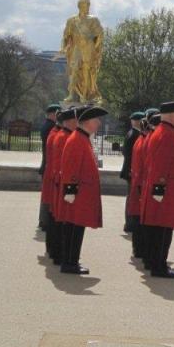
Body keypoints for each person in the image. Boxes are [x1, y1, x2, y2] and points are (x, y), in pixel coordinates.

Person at [140, 101, 174, 278]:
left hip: (166, 190)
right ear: (172, 115)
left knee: (160, 230)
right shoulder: (166, 134)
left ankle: (157, 263)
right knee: (162, 230)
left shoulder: (165, 132)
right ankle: (158, 266)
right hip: (165, 192)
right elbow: (160, 164)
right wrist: (159, 188)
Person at [59, 105, 108, 274]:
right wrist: (70, 192)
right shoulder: (76, 140)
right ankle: (69, 262)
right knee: (74, 228)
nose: (99, 123)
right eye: (96, 120)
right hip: (77, 195)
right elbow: (70, 168)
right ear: (87, 122)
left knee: (76, 228)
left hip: (80, 194)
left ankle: (72, 260)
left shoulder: (82, 138)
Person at [47, 107, 78, 265]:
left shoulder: (61, 135)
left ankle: (56, 252)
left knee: (57, 220)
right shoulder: (63, 137)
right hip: (61, 183)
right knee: (61, 221)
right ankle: (59, 254)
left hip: (57, 181)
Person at [128, 109, 160, 264]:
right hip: (143, 183)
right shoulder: (146, 140)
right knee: (144, 221)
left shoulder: (142, 138)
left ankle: (140, 249)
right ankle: (144, 251)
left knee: (139, 219)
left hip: (139, 182)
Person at [61, 0, 104, 104]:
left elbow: (100, 34)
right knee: (74, 70)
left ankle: (84, 95)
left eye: (89, 5)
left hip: (89, 48)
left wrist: (95, 47)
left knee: (86, 71)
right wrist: (63, 47)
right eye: (86, 5)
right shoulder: (72, 20)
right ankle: (71, 94)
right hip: (76, 48)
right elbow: (66, 35)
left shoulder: (93, 19)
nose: (88, 7)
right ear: (80, 6)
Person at [120, 111, 145, 233]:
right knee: (131, 198)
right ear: (138, 121)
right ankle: (129, 223)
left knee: (131, 197)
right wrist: (131, 170)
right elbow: (129, 154)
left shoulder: (132, 133)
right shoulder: (134, 135)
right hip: (131, 170)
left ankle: (129, 222)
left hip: (130, 170)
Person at [38, 103, 61, 230]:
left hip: (46, 164)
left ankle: (43, 220)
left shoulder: (47, 126)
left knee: (46, 195)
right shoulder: (50, 127)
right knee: (48, 196)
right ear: (53, 114)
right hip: (48, 165)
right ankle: (44, 221)